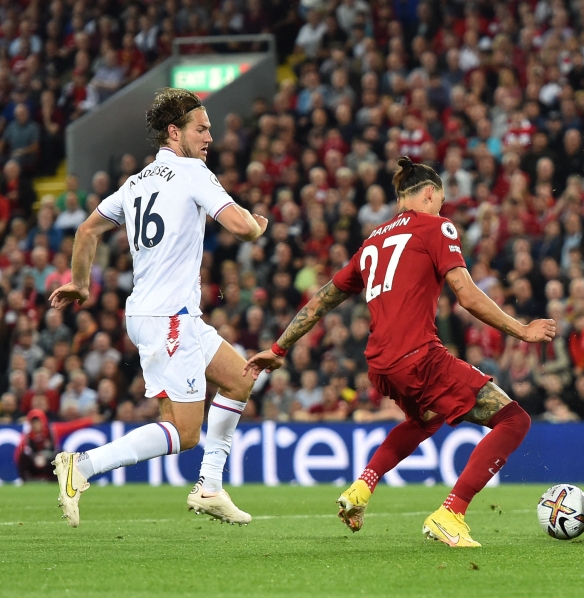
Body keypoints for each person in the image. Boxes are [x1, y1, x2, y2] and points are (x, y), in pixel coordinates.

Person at [244, 157, 556, 547]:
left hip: (380, 366)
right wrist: (522, 330)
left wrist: (278, 348)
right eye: (439, 201)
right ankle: (451, 513)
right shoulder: (437, 227)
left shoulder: (372, 240)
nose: (441, 209)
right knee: (514, 420)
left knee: (425, 420)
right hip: (418, 357)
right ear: (429, 194)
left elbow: (322, 299)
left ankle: (361, 488)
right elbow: (467, 296)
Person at [49, 88, 269, 528]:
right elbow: (242, 228)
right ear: (175, 132)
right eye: (201, 129)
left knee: (241, 378)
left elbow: (87, 231)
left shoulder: (136, 183)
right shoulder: (193, 173)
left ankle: (209, 487)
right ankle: (82, 467)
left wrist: (78, 282)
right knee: (185, 432)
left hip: (159, 314)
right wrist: (259, 225)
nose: (210, 137)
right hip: (169, 318)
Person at [16, 409, 101, 481]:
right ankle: (27, 480)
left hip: (50, 463)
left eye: (38, 422)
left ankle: (57, 479)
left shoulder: (53, 430)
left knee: (62, 455)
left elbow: (71, 426)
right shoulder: (26, 437)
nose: (36, 425)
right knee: (23, 457)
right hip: (34, 464)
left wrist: (90, 420)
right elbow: (17, 455)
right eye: (33, 423)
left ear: (43, 421)